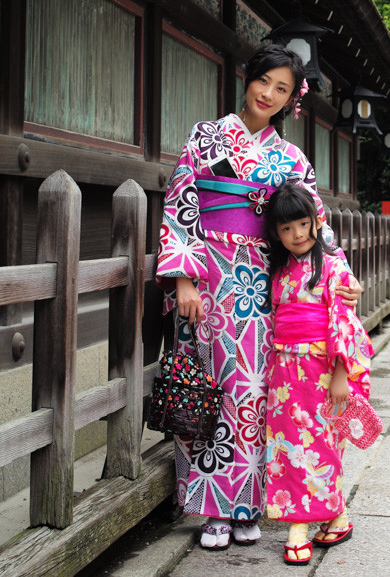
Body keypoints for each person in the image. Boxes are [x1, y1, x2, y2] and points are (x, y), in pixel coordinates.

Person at [154, 43, 360, 550]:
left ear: (292, 100)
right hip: (208, 279)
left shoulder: (290, 157)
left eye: (282, 89)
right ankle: (211, 508)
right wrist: (182, 279)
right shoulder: (205, 138)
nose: (268, 94)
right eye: (263, 81)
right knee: (213, 389)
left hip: (265, 285)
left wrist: (341, 272)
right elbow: (181, 202)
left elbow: (314, 223)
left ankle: (249, 504)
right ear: (247, 79)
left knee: (258, 393)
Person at [262, 182, 373, 566]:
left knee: (320, 444)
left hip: (322, 368)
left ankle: (298, 528)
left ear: (316, 221)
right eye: (286, 229)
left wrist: (342, 372)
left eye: (303, 224)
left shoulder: (333, 263)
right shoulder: (280, 268)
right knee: (285, 446)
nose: (297, 235)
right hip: (284, 369)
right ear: (276, 234)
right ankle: (337, 516)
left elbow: (343, 319)